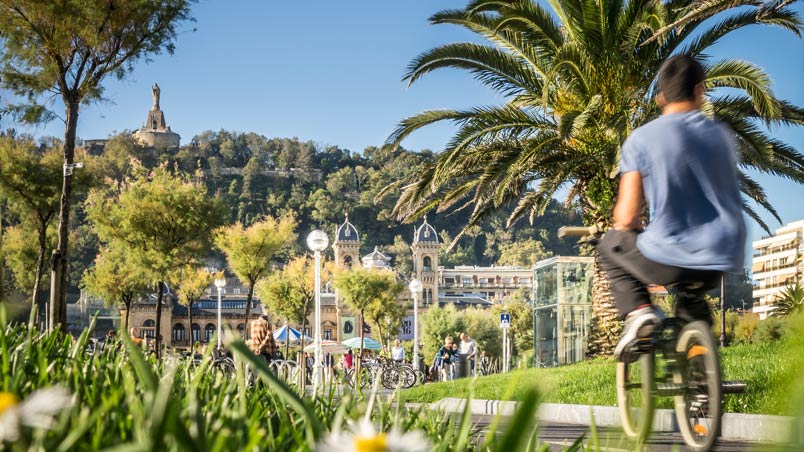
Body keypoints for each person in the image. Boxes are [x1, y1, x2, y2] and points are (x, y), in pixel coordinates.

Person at [598, 54, 746, 364]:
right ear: (699, 91)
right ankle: (701, 369)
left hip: (669, 256)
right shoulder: (721, 136)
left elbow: (626, 217)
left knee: (609, 244)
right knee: (692, 303)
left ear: (661, 96)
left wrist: (633, 227)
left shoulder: (641, 139)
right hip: (720, 258)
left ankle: (640, 314)